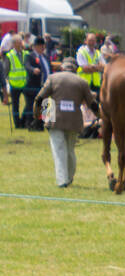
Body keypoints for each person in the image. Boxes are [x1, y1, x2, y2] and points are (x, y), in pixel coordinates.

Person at [34, 57, 98, 187]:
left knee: (59, 150)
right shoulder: (82, 81)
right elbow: (92, 104)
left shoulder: (53, 78)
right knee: (70, 150)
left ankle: (62, 181)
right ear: (75, 69)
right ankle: (69, 178)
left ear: (62, 67)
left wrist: (38, 115)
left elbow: (40, 98)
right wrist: (100, 117)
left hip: (54, 119)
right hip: (74, 121)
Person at [5, 34, 32, 129]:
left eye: (21, 41)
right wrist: (6, 83)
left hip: (25, 83)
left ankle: (23, 121)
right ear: (14, 44)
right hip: (14, 84)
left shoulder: (26, 54)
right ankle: (18, 124)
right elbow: (6, 70)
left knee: (29, 103)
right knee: (15, 106)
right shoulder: (9, 55)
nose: (21, 43)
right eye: (19, 42)